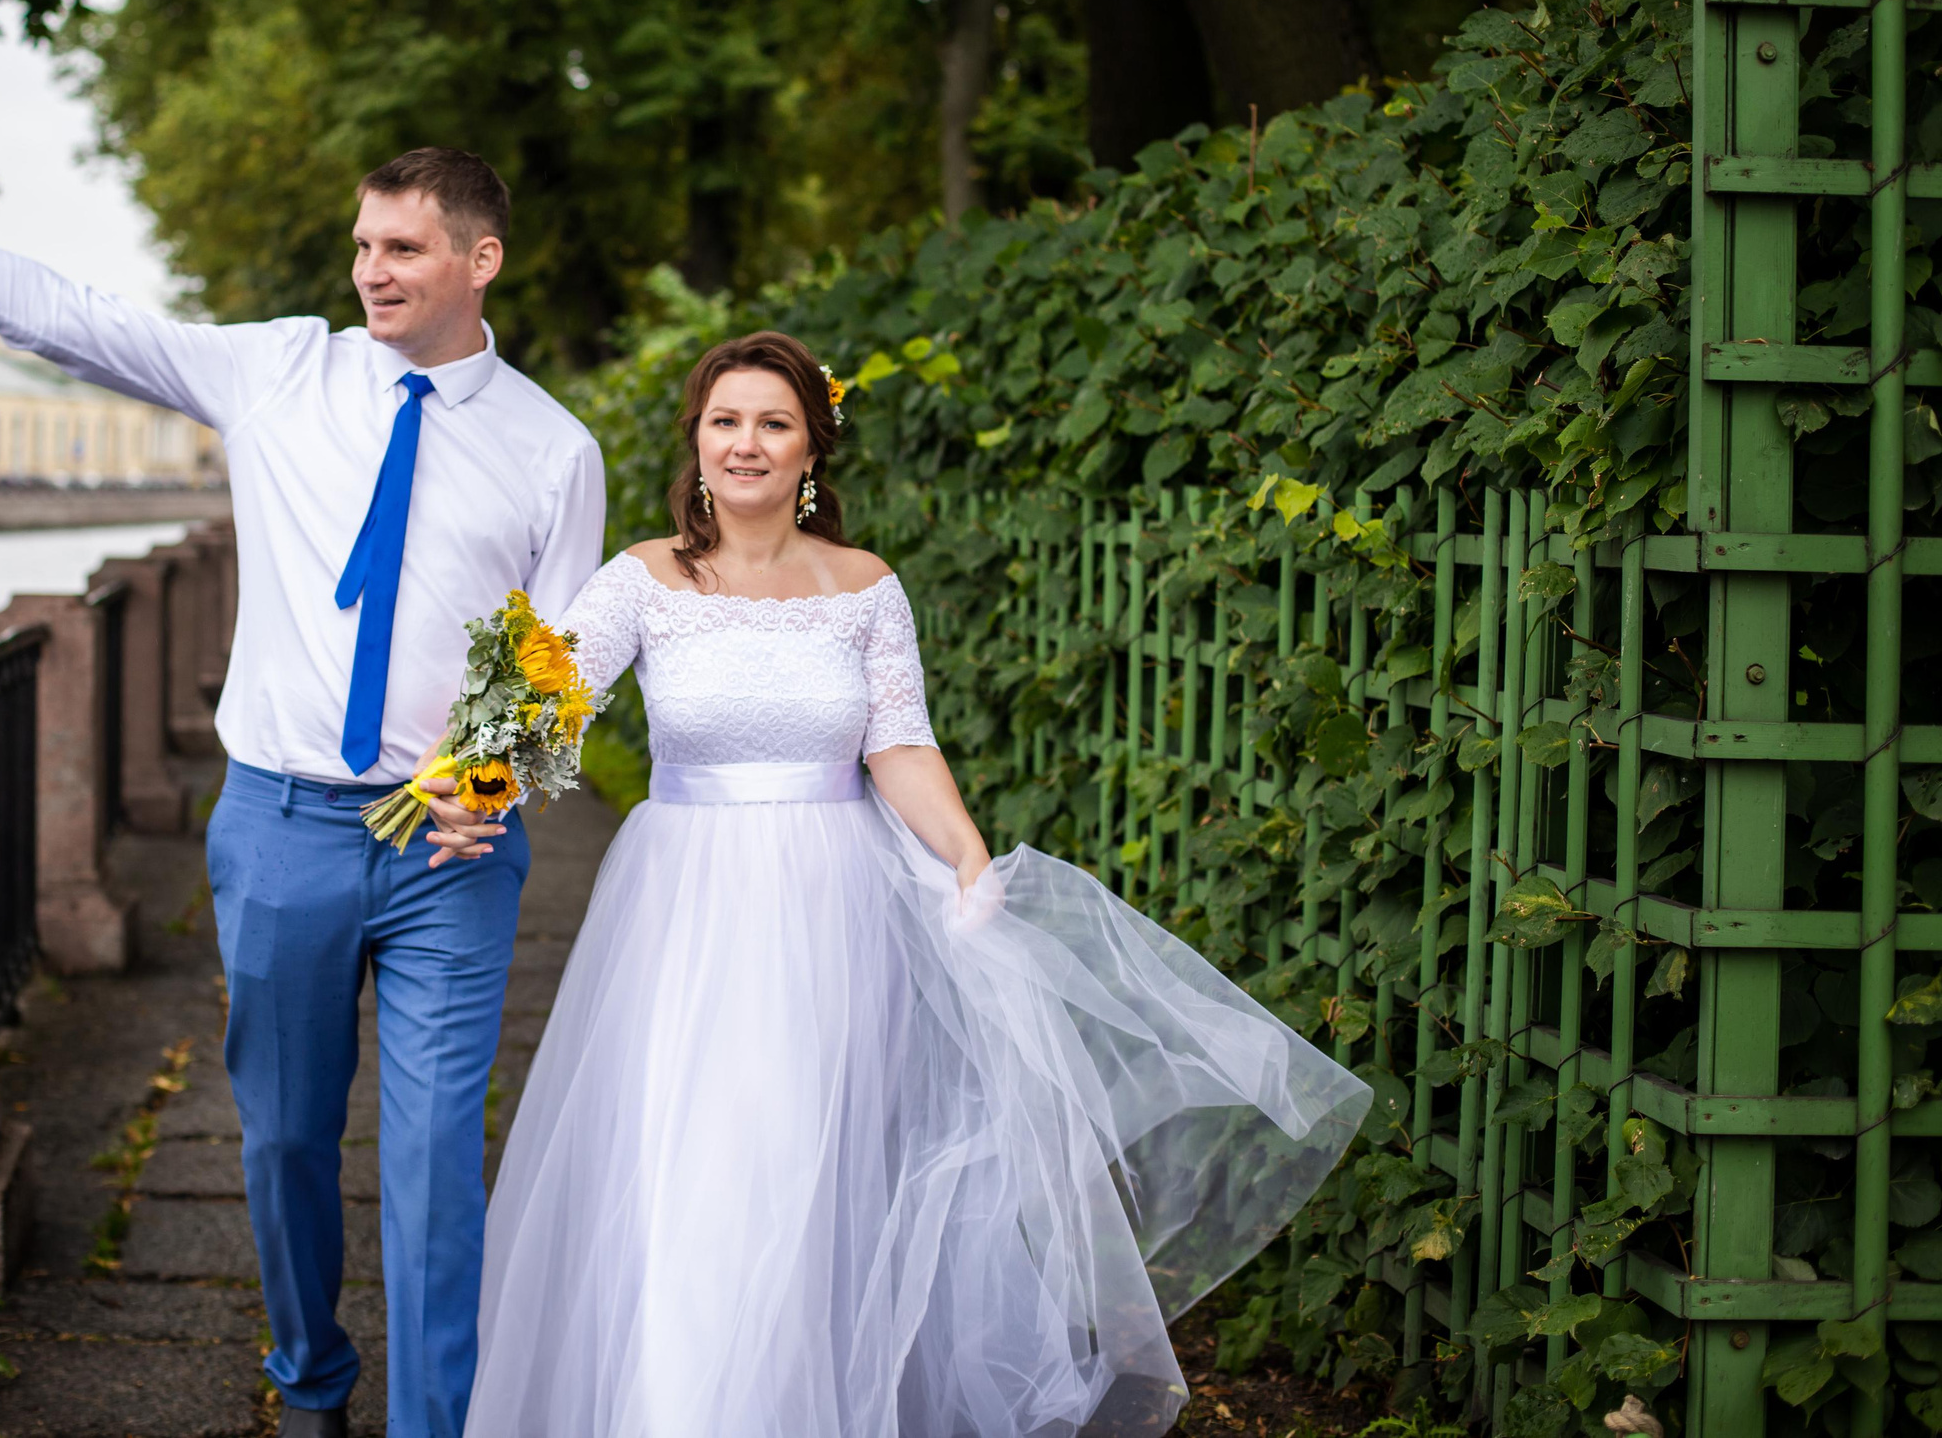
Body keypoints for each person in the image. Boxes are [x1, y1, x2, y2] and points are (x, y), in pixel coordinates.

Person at [0, 91, 602, 1438]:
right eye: (364, 246)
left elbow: (561, 653)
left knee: (439, 1159)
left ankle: (444, 1420)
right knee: (278, 1136)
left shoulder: (556, 446)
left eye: (403, 249)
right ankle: (311, 1378)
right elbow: (73, 315)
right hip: (280, 827)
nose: (372, 271)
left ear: (480, 260)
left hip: (452, 853)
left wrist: (489, 778)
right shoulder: (276, 370)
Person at [461, 331, 1370, 1438]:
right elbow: (549, 709)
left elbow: (898, 743)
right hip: (686, 908)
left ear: (811, 452)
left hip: (836, 908)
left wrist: (966, 853)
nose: (746, 445)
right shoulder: (641, 579)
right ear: (695, 443)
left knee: (815, 1164)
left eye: (773, 424)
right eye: (725, 422)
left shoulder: (863, 586)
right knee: (701, 1164)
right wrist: (475, 785)